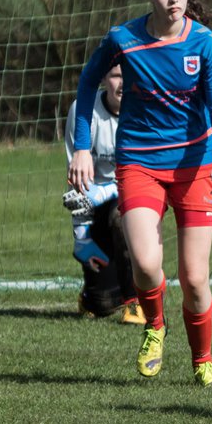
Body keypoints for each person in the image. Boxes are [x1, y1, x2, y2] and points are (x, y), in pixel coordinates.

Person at [68, 0, 212, 389]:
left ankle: (203, 362)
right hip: (139, 164)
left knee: (195, 279)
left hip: (196, 167)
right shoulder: (123, 39)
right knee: (145, 264)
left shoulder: (205, 44)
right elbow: (88, 82)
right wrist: (82, 148)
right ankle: (155, 327)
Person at [62, 64, 144, 325]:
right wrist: (82, 238)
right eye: (116, 75)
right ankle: (93, 295)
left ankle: (137, 301)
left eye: (128, 76)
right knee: (101, 305)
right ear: (104, 79)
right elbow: (77, 184)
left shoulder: (146, 114)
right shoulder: (83, 112)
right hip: (95, 208)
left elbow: (145, 178)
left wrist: (106, 192)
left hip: (137, 201)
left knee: (122, 213)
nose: (122, 83)